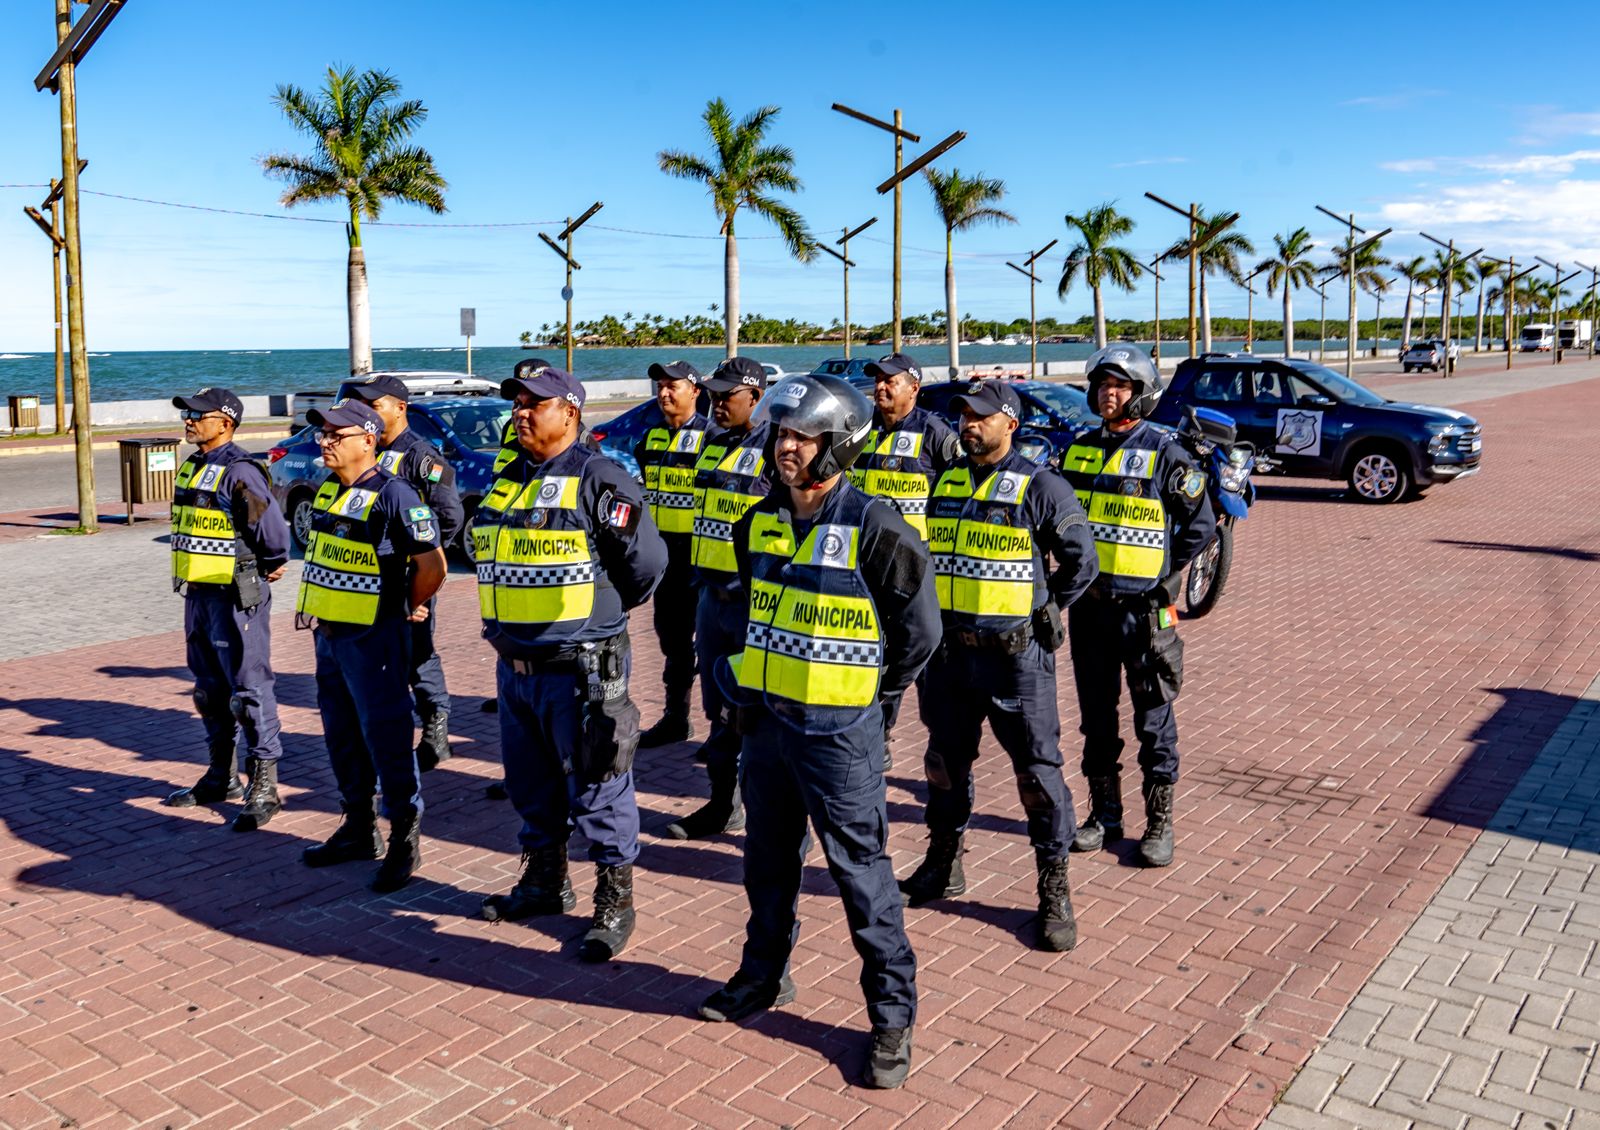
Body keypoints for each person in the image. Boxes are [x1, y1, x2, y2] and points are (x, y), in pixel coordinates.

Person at [698, 374, 938, 1090]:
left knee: (861, 877)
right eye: (782, 433)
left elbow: (919, 634)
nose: (787, 446)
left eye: (803, 436)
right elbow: (751, 610)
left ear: (839, 444)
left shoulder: (877, 528)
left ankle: (891, 1018)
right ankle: (762, 976)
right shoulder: (757, 521)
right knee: (767, 863)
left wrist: (873, 699)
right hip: (767, 729)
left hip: (839, 739)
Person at [899, 379, 1098, 953]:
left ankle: (1053, 887)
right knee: (943, 765)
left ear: (1010, 423)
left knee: (1037, 775)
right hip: (950, 658)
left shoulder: (1041, 485)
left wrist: (1049, 607)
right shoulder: (946, 480)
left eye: (981, 416)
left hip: (1015, 661)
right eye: (963, 415)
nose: (968, 424)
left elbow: (1082, 560)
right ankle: (944, 862)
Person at [475, 367, 667, 963]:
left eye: (535, 403)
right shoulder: (510, 478)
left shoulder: (598, 477)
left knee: (600, 785)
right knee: (530, 783)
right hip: (516, 669)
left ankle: (614, 899)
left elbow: (646, 564)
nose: (521, 411)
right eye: (517, 403)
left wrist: (601, 618)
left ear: (570, 412)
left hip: (581, 668)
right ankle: (545, 881)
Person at [1058, 346, 1215, 868]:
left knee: (1153, 718)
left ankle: (1159, 822)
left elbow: (1200, 527)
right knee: (1096, 720)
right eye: (1103, 385)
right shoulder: (1078, 451)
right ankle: (1104, 815)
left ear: (1142, 393)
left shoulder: (1167, 453)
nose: (1109, 394)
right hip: (1090, 611)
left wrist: (1161, 575)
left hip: (1145, 612)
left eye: (1120, 386)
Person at [296, 399, 448, 893]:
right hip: (330, 638)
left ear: (368, 439)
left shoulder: (394, 493)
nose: (325, 442)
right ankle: (358, 827)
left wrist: (408, 603)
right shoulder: (328, 490)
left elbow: (433, 564)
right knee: (342, 738)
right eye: (322, 434)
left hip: (374, 640)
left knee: (386, 741)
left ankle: (404, 838)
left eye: (335, 435)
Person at [163, 387, 291, 832]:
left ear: (226, 422)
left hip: (235, 597)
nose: (189, 420)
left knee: (248, 691)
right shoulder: (194, 466)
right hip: (198, 594)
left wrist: (269, 563)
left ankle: (265, 786)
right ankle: (221, 776)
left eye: (199, 415)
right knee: (208, 691)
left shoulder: (240, 471)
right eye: (188, 414)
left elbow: (272, 534)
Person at [665, 356, 772, 840]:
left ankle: (764, 810)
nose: (717, 404)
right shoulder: (712, 442)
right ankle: (722, 803)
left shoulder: (775, 448)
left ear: (756, 397)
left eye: (727, 396)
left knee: (755, 710)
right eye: (712, 395)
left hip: (752, 603)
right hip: (711, 597)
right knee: (719, 709)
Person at [337, 373, 464, 772]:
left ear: (400, 408)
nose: (368, 412)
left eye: (375, 406)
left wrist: (419, 577)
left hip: (411, 582)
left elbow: (448, 516)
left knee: (417, 655)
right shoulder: (363, 449)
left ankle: (435, 729)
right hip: (367, 583)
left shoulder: (421, 457)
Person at [848, 351, 960, 765]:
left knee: (924, 662)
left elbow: (957, 492)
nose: (880, 387)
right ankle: (878, 737)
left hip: (915, 572)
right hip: (866, 568)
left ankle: (942, 751)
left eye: (890, 381)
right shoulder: (861, 430)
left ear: (913, 388)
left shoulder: (935, 434)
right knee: (874, 657)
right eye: (877, 379)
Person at [634, 360, 710, 747]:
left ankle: (723, 731)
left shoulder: (712, 438)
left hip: (702, 559)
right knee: (673, 642)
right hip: (667, 560)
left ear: (695, 391)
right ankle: (676, 718)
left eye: (672, 386)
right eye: (660, 386)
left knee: (713, 646)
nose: (663, 393)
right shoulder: (650, 439)